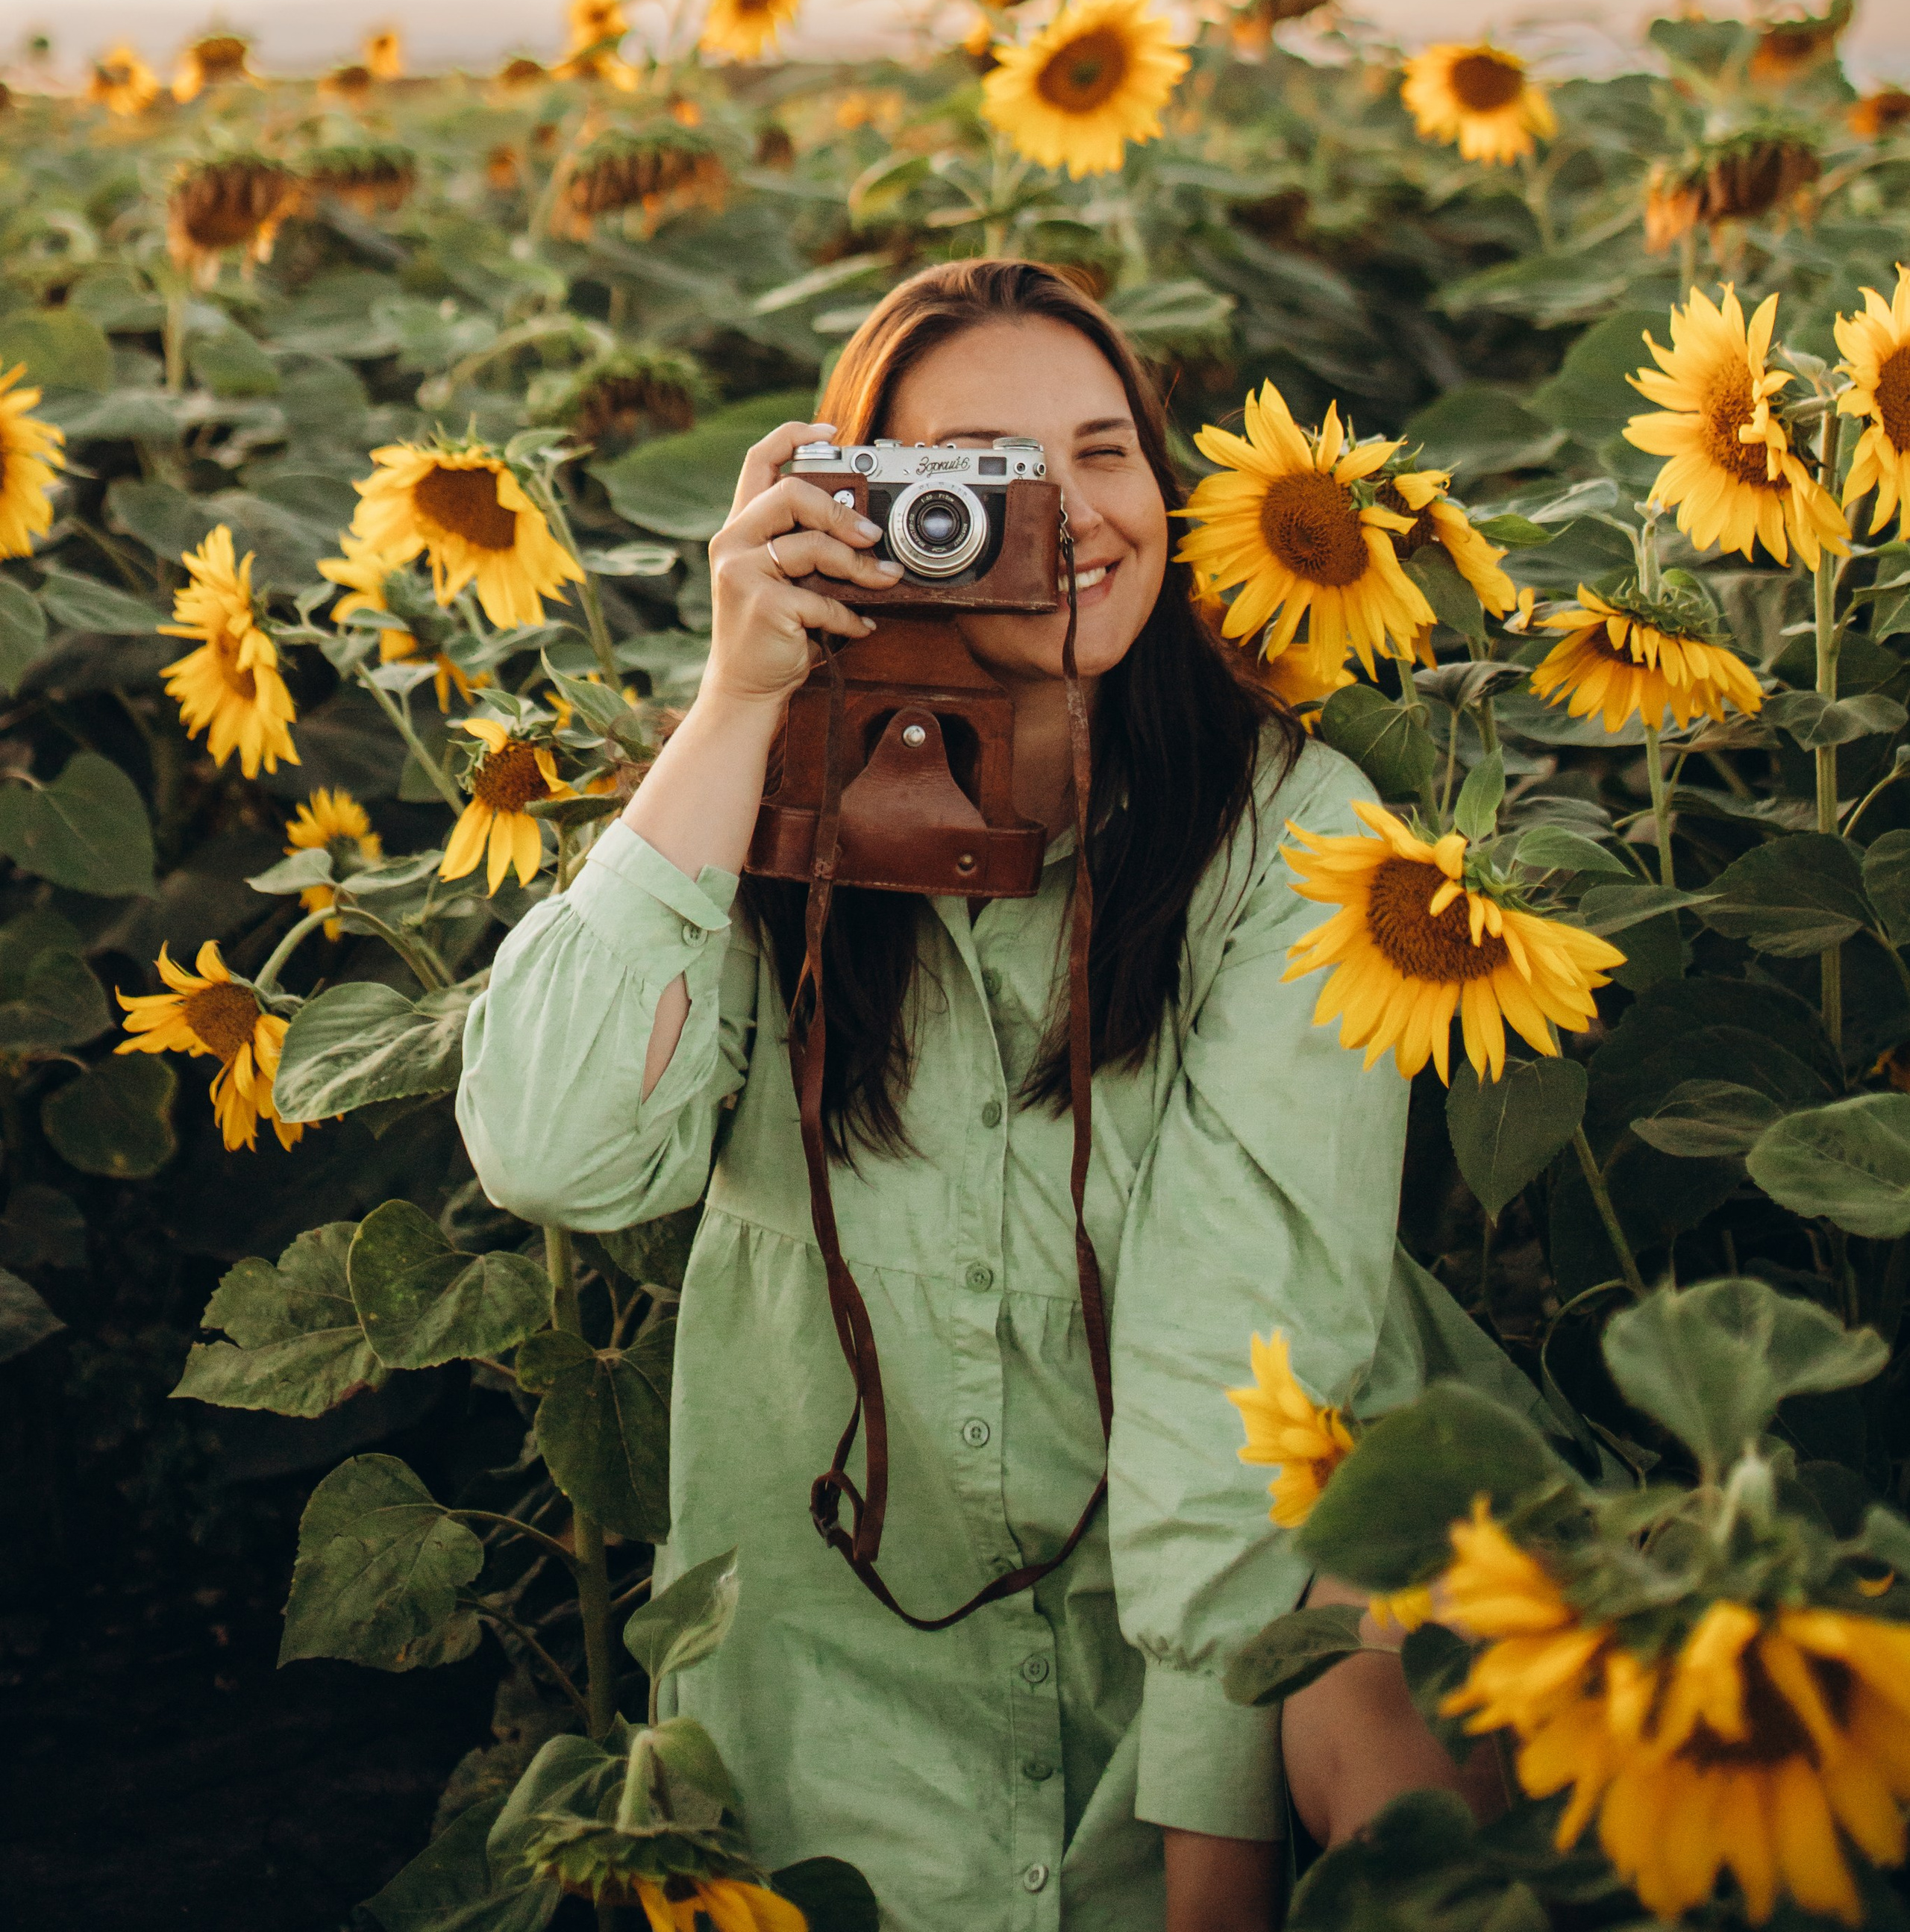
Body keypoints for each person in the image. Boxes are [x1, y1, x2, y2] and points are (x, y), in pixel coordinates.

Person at [458, 259, 1509, 1932]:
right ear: (859, 510)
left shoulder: (1287, 833)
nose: (1061, 513)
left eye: (1102, 454)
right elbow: (551, 1149)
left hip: (1214, 1663)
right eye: (976, 470)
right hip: (840, 1719)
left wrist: (1210, 1879)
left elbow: (1230, 1353)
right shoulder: (762, 815)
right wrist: (738, 703)